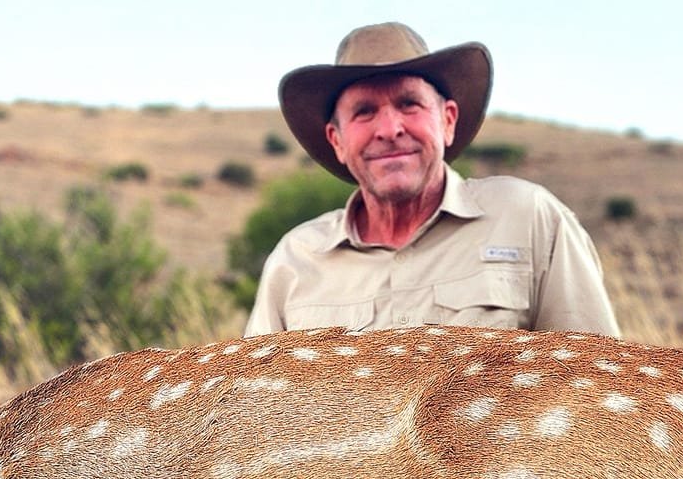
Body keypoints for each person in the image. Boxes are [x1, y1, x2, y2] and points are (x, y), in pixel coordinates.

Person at [246, 22, 620, 338]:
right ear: (337, 141)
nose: (390, 129)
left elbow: (594, 392)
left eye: (409, 103)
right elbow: (253, 411)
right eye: (364, 112)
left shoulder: (529, 219)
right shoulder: (295, 260)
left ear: (448, 121)